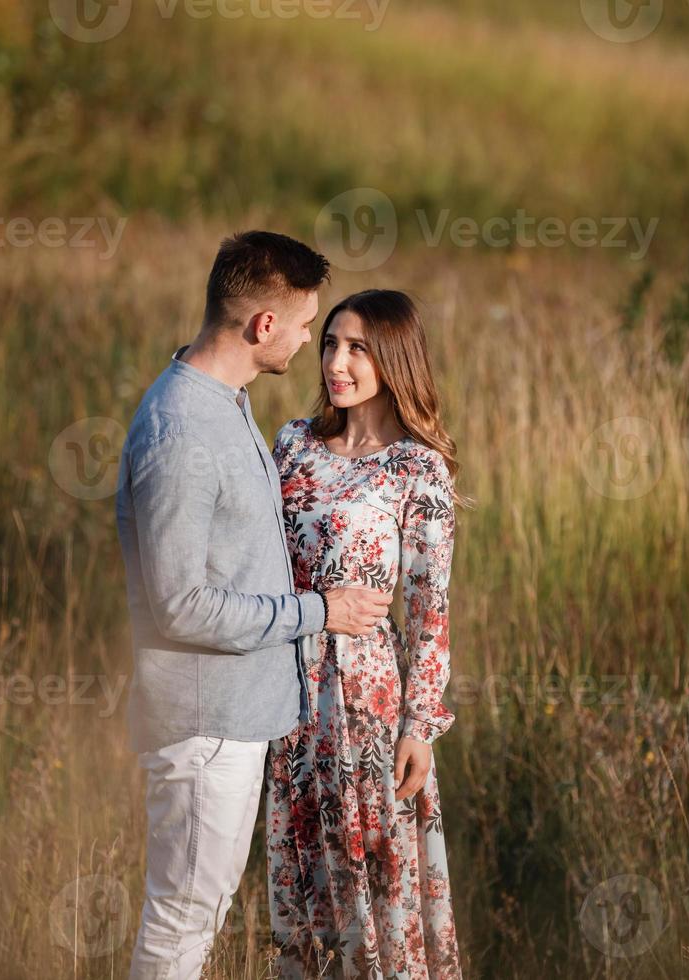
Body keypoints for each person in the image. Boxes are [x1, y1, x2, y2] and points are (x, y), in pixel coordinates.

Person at [115, 231, 394, 980]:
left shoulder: (224, 402)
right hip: (204, 727)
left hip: (232, 721)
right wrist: (318, 611)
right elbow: (181, 606)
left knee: (193, 920)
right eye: (307, 327)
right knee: (180, 924)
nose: (312, 342)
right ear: (264, 326)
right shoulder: (182, 432)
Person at [266, 290, 463, 978]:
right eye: (328, 343)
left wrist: (420, 726)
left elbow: (429, 608)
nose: (336, 362)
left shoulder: (416, 469)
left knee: (370, 884)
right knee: (302, 887)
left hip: (364, 698)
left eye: (357, 347)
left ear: (395, 358)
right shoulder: (293, 444)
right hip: (284, 690)